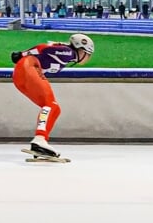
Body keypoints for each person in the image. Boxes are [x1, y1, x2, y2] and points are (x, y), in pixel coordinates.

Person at [10, 32, 94, 161]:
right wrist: (23, 54)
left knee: (53, 107)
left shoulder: (67, 53)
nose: (88, 58)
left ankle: (41, 139)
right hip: (28, 67)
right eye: (87, 54)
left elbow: (47, 49)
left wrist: (23, 55)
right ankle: (39, 139)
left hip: (21, 74)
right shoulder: (68, 52)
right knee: (51, 105)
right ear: (80, 49)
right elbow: (44, 48)